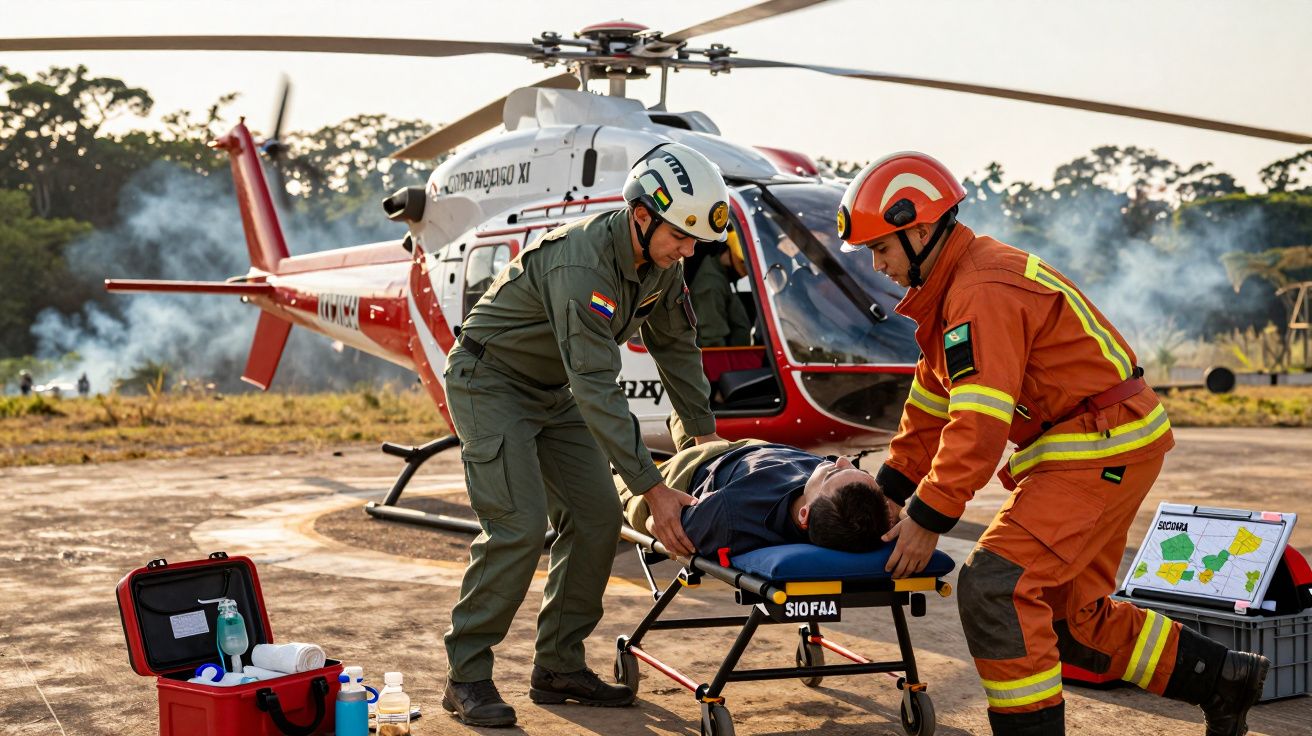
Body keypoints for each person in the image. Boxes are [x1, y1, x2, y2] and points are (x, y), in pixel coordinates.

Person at [835, 152, 1268, 736]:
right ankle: (1224, 679)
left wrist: (928, 514)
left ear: (918, 228)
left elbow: (980, 424)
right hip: (1098, 445)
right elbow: (930, 409)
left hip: (1099, 446)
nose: (876, 264)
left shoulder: (979, 290)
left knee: (996, 585)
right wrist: (889, 493)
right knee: (1073, 623)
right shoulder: (950, 295)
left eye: (880, 248)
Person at [440, 142, 731, 728]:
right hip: (489, 380)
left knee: (599, 519)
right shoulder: (583, 266)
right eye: (681, 235)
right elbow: (598, 388)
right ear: (642, 215)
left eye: (697, 240)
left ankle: (557, 665)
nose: (690, 250)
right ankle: (466, 675)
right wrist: (654, 488)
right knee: (518, 526)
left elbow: (677, 349)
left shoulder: (664, 264)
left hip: (552, 391)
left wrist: (701, 445)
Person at [616, 421, 891, 557]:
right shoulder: (842, 503)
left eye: (833, 472)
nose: (839, 460)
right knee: (686, 386)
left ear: (804, 515)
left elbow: (661, 522)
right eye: (858, 471)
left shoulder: (730, 517)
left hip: (688, 471)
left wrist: (649, 500)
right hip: (738, 448)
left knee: (613, 480)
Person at [687, 228, 753, 348]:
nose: (747, 269)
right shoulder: (710, 283)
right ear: (730, 251)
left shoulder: (724, 276)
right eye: (743, 262)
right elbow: (712, 340)